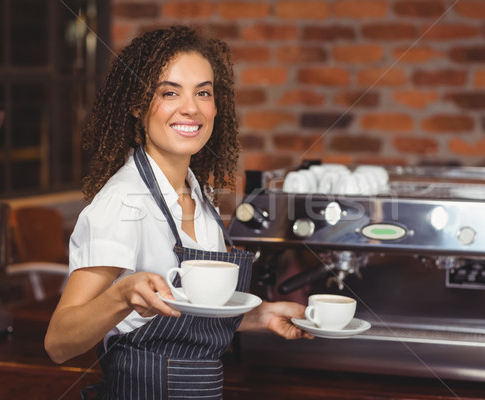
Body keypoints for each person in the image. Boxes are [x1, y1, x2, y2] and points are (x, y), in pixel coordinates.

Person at [44, 25, 311, 399]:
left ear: (217, 106)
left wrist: (261, 315)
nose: (191, 107)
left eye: (203, 92)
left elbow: (190, 320)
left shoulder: (198, 197)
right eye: (170, 93)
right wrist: (120, 296)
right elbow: (59, 342)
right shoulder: (123, 202)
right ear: (138, 105)